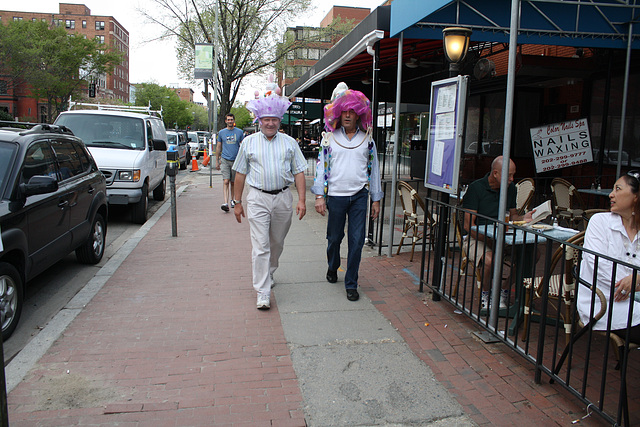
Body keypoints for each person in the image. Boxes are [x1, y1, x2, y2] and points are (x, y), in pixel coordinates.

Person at [232, 88, 307, 310]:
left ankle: (270, 272)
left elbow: (300, 171)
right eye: (266, 119)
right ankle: (262, 291)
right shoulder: (248, 143)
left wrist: (301, 200)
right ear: (259, 120)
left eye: (274, 119)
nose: (270, 123)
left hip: (283, 197)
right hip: (257, 197)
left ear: (279, 120)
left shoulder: (290, 143)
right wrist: (237, 203)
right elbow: (240, 173)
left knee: (276, 242)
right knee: (261, 245)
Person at [311, 82, 383, 302]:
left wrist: (376, 199)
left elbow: (374, 170)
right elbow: (321, 167)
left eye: (353, 111)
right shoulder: (329, 138)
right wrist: (319, 196)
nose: (348, 116)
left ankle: (351, 283)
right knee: (334, 238)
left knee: (357, 240)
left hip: (360, 197)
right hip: (336, 196)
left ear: (359, 115)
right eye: (344, 112)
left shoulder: (367, 140)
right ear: (338, 114)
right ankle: (333, 265)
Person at [462, 156, 533, 310]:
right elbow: (469, 226)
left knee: (532, 254)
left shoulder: (511, 188)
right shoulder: (476, 188)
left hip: (503, 237)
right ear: (495, 173)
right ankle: (486, 295)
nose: (512, 179)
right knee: (490, 260)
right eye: (508, 175)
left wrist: (524, 218)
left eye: (513, 175)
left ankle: (503, 290)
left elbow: (513, 216)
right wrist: (488, 240)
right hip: (477, 237)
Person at [577, 171, 640, 342]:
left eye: (618, 189)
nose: (611, 194)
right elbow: (599, 266)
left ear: (636, 197)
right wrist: (633, 283)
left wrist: (636, 279)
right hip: (603, 303)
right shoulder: (600, 222)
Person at [216, 113, 244, 212]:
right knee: (226, 181)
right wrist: (217, 160)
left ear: (234, 120)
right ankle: (225, 202)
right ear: (225, 121)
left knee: (233, 182)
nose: (230, 121)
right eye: (228, 120)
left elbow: (243, 146)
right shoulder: (222, 133)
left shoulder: (239, 132)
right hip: (225, 159)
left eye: (231, 119)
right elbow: (219, 146)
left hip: (236, 160)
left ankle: (232, 200)